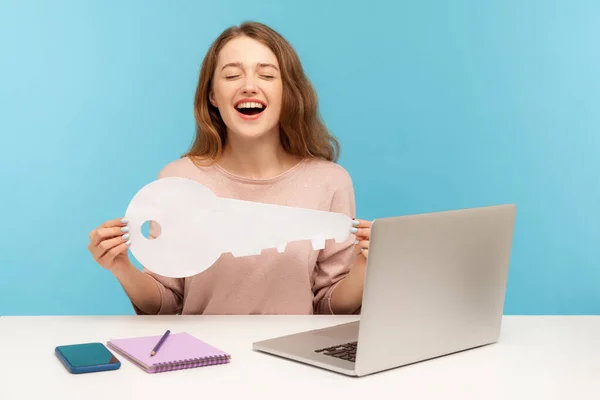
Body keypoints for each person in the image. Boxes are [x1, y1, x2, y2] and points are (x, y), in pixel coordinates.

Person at [88, 21, 372, 315]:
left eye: (266, 75)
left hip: (292, 357)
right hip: (202, 355)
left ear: (288, 92)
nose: (249, 86)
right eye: (232, 75)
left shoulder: (330, 182)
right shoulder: (178, 179)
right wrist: (120, 266)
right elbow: (165, 303)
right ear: (212, 95)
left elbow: (330, 308)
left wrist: (365, 265)